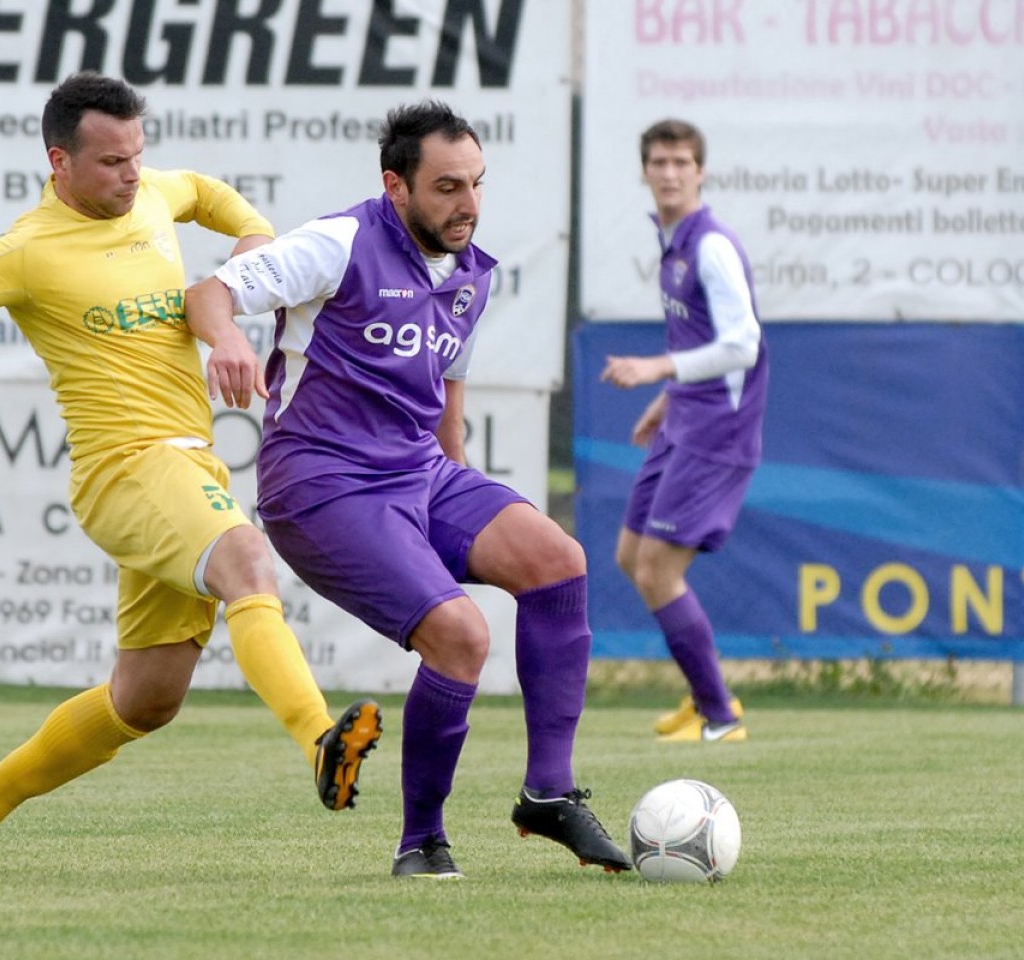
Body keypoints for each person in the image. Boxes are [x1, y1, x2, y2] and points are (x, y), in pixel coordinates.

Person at [0, 72, 381, 869]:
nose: (132, 175)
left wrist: (256, 240)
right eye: (112, 162)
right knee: (247, 562)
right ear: (61, 161)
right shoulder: (26, 251)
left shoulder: (151, 195)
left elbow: (211, 194)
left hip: (187, 468)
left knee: (145, 703)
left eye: (137, 156)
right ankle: (320, 742)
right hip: (125, 471)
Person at [185, 100, 630, 880]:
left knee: (557, 560)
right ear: (396, 185)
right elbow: (208, 294)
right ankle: (421, 841)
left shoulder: (468, 274)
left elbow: (446, 401)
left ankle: (548, 794)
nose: (468, 206)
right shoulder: (340, 242)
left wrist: (458, 496)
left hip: (417, 472)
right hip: (321, 482)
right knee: (461, 637)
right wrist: (226, 340)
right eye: (447, 188)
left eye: (477, 185)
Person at [599, 118, 768, 742]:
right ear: (645, 170)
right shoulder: (673, 243)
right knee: (630, 556)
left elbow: (743, 345)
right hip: (686, 420)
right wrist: (669, 400)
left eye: (681, 163)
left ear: (701, 172)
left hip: (718, 434)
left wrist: (658, 369)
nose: (669, 173)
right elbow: (703, 339)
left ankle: (721, 715)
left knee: (656, 571)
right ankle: (706, 697)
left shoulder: (711, 245)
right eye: (659, 162)